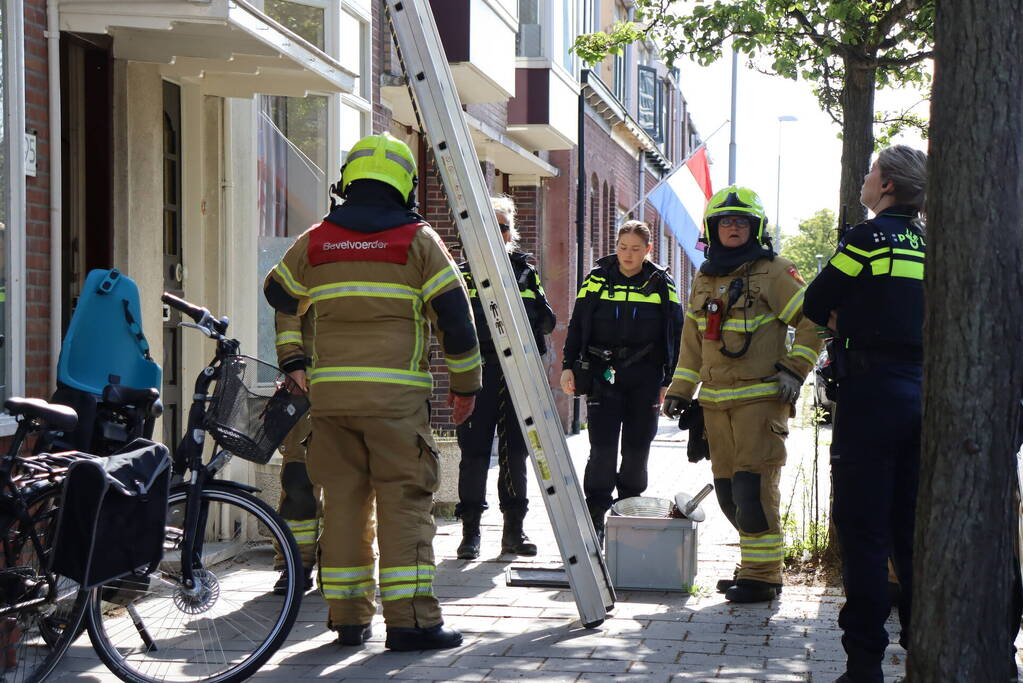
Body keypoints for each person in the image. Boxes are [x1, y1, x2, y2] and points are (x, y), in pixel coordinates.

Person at [264, 133, 482, 652]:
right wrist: (466, 387)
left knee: (342, 503)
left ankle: (347, 619)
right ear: (404, 185)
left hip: (332, 402)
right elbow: (457, 321)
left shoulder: (316, 240)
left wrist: (294, 360)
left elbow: (278, 293)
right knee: (404, 502)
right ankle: (411, 623)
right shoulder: (419, 242)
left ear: (348, 181)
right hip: (395, 404)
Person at [802, 145, 927, 683]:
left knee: (865, 530)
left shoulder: (867, 238)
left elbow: (816, 300)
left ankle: (865, 664)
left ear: (889, 187)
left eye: (871, 171)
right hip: (925, 393)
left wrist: (845, 314)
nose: (864, 177)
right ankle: (922, 648)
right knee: (911, 529)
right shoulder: (934, 241)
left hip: (870, 392)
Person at [662, 185, 821, 603]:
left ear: (756, 228)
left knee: (754, 488)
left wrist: (795, 368)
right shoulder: (705, 275)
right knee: (731, 494)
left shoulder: (775, 271)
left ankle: (765, 576)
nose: (733, 228)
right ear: (713, 229)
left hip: (760, 401)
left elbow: (813, 321)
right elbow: (693, 341)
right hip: (715, 405)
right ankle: (751, 567)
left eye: (742, 222)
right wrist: (681, 390)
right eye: (726, 221)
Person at [560, 220, 683, 544]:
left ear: (648, 250)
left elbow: (677, 332)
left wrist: (670, 380)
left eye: (635, 249)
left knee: (637, 450)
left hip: (646, 377)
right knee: (601, 450)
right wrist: (568, 366)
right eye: (622, 247)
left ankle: (627, 516)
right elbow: (577, 325)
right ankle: (595, 520)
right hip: (603, 374)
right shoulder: (598, 279)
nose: (627, 255)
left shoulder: (661, 283)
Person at [455, 196, 556, 560]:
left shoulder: (526, 272)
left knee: (515, 453)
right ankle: (470, 534)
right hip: (478, 372)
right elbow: (456, 328)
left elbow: (546, 322)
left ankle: (514, 532)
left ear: (511, 232)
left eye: (503, 227)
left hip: (518, 376)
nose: (497, 233)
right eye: (490, 226)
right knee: (475, 453)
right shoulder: (463, 273)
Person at [272, 310, 320, 595]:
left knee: (348, 485)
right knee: (298, 478)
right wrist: (292, 364)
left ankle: (339, 564)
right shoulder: (305, 263)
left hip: (354, 386)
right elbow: (285, 303)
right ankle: (295, 565)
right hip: (305, 385)